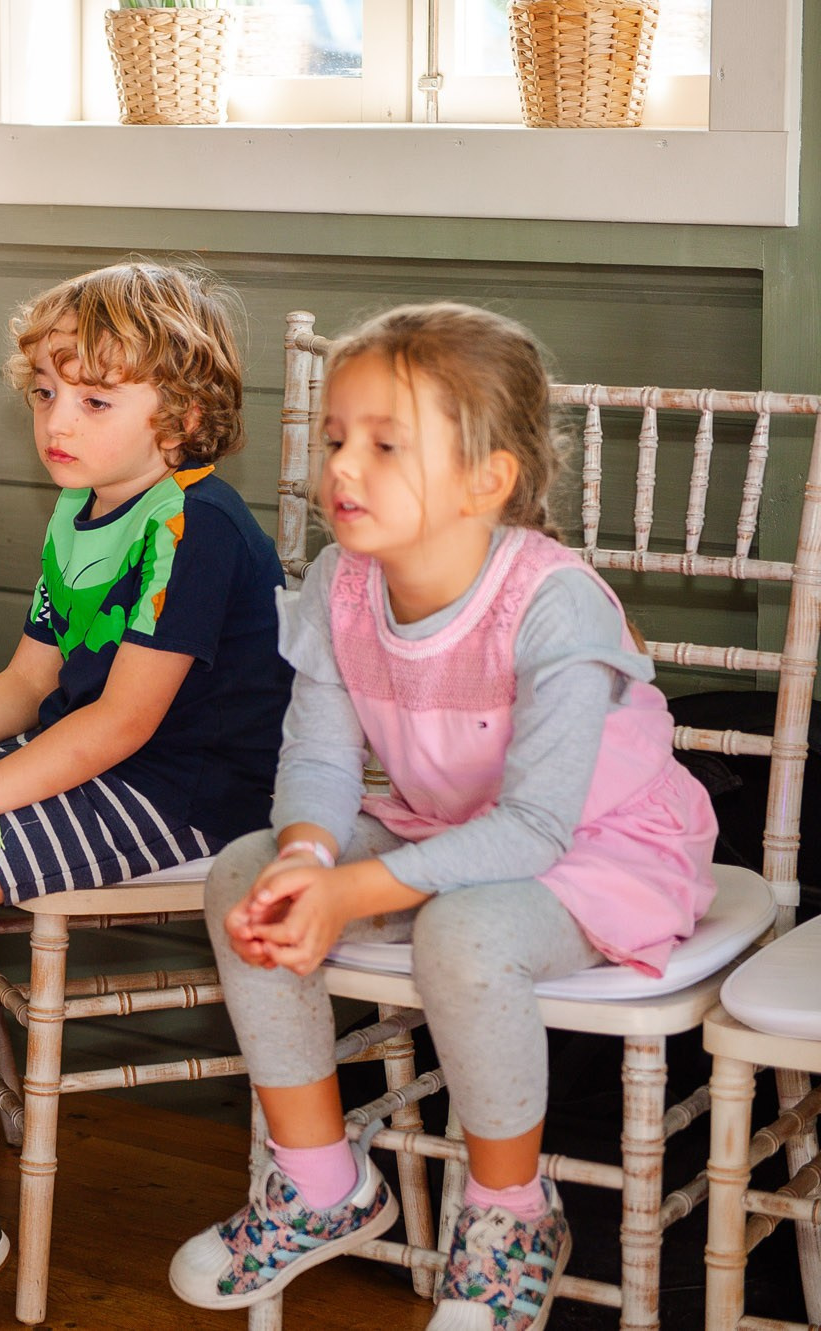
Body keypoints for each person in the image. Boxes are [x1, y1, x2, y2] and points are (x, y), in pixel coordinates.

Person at [169, 304, 718, 1330]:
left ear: (485, 478)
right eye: (336, 438)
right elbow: (324, 752)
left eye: (385, 444)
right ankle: (317, 1179)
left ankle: (510, 1216)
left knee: (457, 934)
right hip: (438, 820)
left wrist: (352, 889)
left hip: (593, 848)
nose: (343, 466)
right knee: (251, 877)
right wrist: (305, 856)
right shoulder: (342, 581)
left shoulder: (552, 604)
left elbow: (534, 828)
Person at [0, 261, 292, 1330]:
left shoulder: (191, 528)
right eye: (43, 394)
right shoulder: (83, 507)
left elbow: (121, 720)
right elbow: (30, 678)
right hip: (89, 754)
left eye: (92, 398)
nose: (55, 421)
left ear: (183, 414)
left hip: (187, 786)